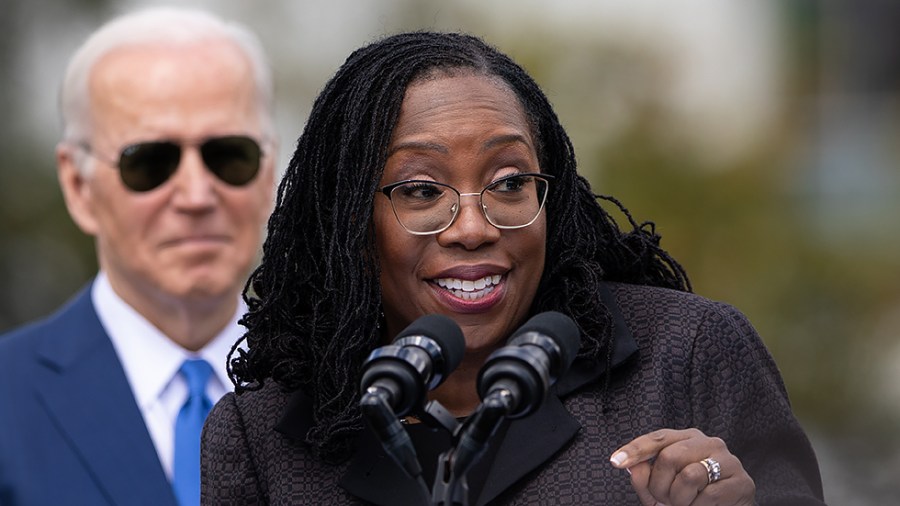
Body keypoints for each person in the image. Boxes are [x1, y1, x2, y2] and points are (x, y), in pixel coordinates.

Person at [201, 32, 825, 506]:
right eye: (421, 190)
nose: (474, 227)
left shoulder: (686, 356)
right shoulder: (259, 441)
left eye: (509, 182)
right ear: (350, 224)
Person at [0, 7, 276, 506]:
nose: (196, 194)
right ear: (78, 185)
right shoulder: (8, 402)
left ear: (269, 172)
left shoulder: (354, 393)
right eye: (149, 162)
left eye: (229, 155)